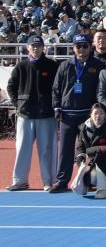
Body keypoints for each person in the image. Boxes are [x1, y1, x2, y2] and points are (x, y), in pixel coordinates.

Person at [51, 34, 104, 192]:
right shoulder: (65, 65)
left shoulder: (97, 65)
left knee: (88, 150)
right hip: (67, 115)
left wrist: (97, 110)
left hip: (87, 115)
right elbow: (56, 88)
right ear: (73, 48)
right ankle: (62, 181)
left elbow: (100, 89)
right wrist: (57, 107)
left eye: (85, 46)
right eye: (78, 46)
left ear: (90, 47)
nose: (81, 49)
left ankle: (87, 181)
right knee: (65, 150)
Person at [6, 35, 58, 191]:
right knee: (22, 149)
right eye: (33, 46)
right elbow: (11, 87)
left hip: (46, 115)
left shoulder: (52, 65)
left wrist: (54, 106)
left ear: (43, 47)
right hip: (25, 115)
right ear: (27, 47)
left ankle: (49, 181)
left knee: (47, 150)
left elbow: (58, 88)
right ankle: (19, 181)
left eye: (38, 45)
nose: (36, 48)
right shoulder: (21, 66)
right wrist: (18, 104)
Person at [73, 104, 106, 199]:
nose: (98, 116)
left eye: (101, 113)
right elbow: (79, 148)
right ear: (90, 114)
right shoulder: (83, 129)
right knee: (90, 176)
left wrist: (89, 151)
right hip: (90, 165)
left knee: (100, 158)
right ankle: (87, 184)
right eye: (95, 113)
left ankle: (104, 189)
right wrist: (81, 160)